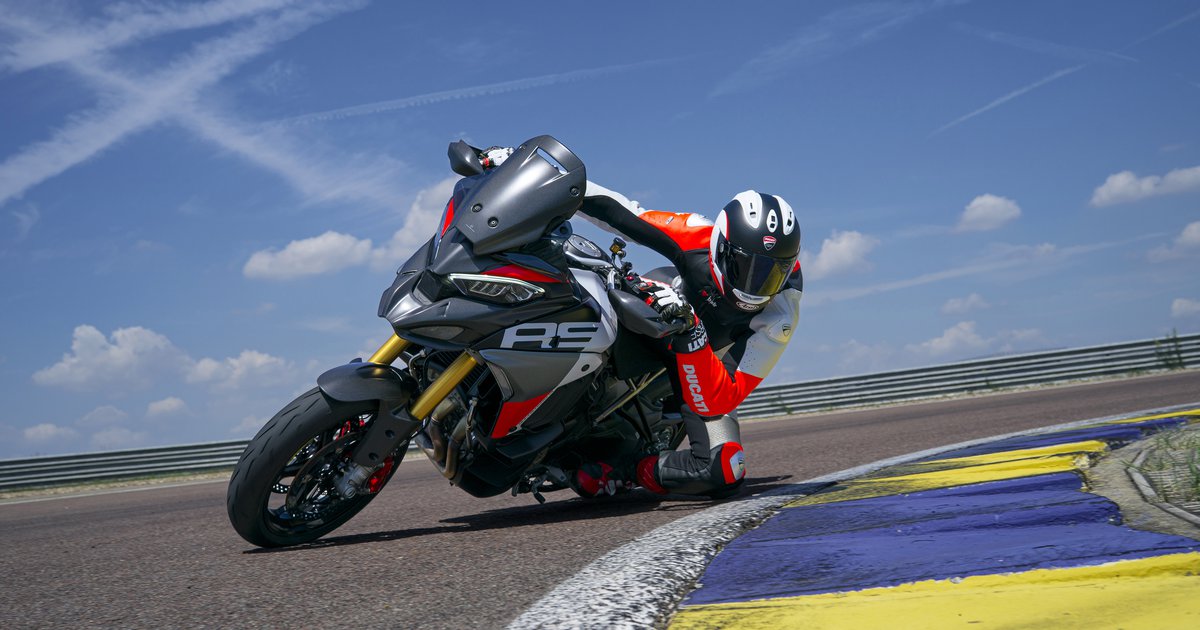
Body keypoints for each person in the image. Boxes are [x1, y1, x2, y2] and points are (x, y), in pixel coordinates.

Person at [572, 181, 803, 498]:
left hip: (703, 362)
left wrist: (692, 332)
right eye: (744, 267)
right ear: (719, 246)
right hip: (655, 309)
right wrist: (559, 181)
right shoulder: (697, 234)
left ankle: (628, 469)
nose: (755, 284)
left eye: (771, 274)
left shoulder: (782, 311)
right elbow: (620, 211)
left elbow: (725, 397)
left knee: (725, 469)